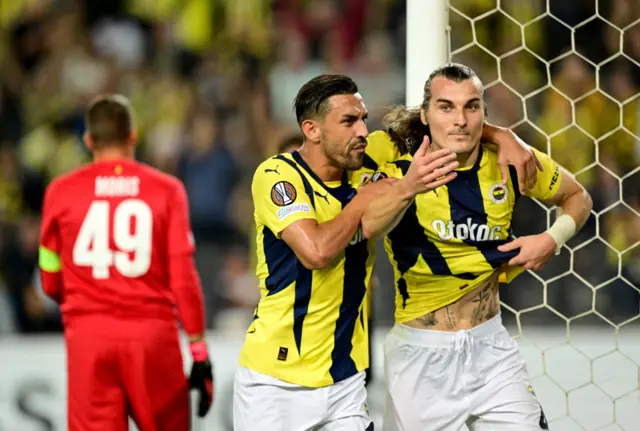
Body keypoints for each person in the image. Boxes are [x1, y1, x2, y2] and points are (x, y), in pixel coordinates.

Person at [361, 63, 593, 430]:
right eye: (445, 107)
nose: (461, 119)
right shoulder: (397, 171)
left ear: (484, 112)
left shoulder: (510, 163)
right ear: (425, 114)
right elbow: (367, 223)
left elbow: (578, 196)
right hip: (421, 356)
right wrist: (406, 189)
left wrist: (552, 238)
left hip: (491, 348)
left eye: (472, 106)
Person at [233, 74, 461, 431]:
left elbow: (447, 120)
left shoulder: (367, 157)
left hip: (345, 379)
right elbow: (317, 251)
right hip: (276, 383)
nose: (362, 131)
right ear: (312, 130)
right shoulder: (278, 175)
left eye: (363, 118)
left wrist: (501, 137)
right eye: (348, 121)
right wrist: (365, 201)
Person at [38, 94, 214, 431]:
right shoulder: (166, 190)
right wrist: (199, 350)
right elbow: (183, 279)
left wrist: (82, 305)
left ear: (89, 140)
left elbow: (49, 278)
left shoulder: (60, 192)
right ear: (133, 136)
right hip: (151, 339)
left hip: (88, 339)